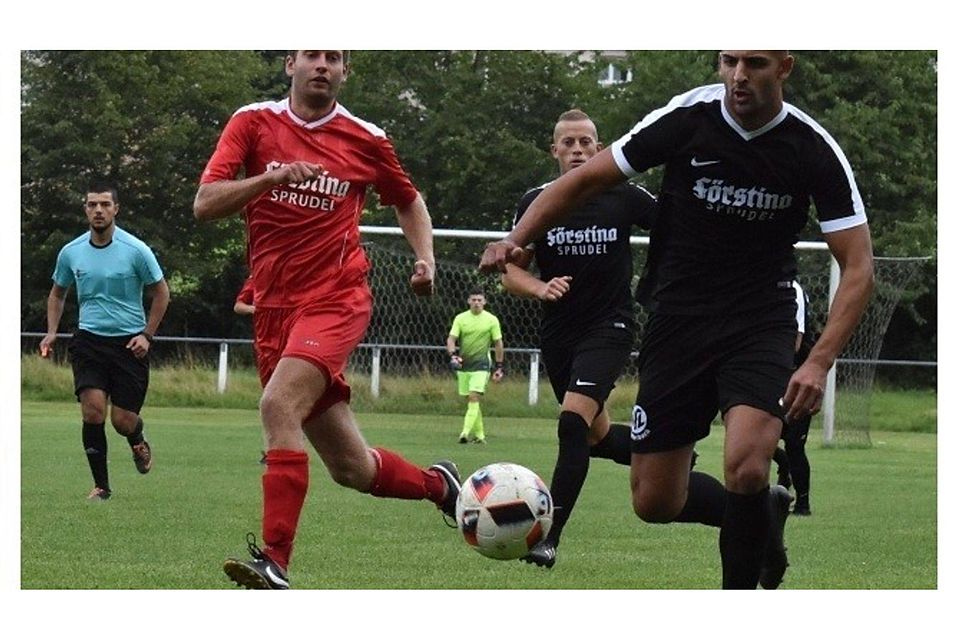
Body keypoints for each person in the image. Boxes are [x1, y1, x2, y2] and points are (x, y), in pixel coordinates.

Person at [480, 50, 875, 589]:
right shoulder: (687, 118)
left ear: (784, 67)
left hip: (760, 319)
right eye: (729, 60)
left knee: (747, 464)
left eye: (755, 63)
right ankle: (766, 513)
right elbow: (581, 183)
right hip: (678, 321)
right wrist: (516, 238)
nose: (739, 75)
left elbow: (858, 265)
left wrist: (820, 360)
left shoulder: (812, 148)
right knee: (655, 501)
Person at [194, 50, 460, 590]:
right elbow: (205, 202)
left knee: (277, 404)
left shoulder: (365, 136)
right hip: (273, 311)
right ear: (290, 64)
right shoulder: (253, 122)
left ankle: (275, 560)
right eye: (312, 54)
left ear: (345, 72)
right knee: (352, 468)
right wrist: (272, 179)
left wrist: (425, 257)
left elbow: (408, 201)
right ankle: (442, 488)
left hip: (336, 299)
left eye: (334, 57)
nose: (323, 64)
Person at [502, 109, 724, 569]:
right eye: (569, 143)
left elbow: (680, 229)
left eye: (587, 142)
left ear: (600, 149)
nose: (579, 150)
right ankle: (688, 466)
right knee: (596, 438)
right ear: (554, 151)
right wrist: (540, 288)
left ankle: (548, 538)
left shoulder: (623, 197)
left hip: (611, 328)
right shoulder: (536, 202)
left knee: (571, 424)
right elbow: (511, 270)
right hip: (559, 334)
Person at [40, 181, 170, 501]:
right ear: (85, 209)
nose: (98, 210)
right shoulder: (71, 252)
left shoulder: (136, 250)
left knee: (122, 421)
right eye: (92, 205)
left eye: (105, 205)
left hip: (130, 343)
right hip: (88, 341)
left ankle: (137, 437)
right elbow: (58, 293)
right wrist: (52, 331)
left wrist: (147, 336)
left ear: (116, 209)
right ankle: (102, 487)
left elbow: (161, 293)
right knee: (93, 412)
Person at [446, 289, 504, 444]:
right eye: (474, 300)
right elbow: (451, 339)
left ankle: (464, 433)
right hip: (464, 364)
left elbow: (498, 343)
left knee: (473, 396)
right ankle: (480, 435)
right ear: (469, 301)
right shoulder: (461, 318)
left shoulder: (491, 320)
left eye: (480, 300)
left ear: (484, 302)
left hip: (482, 364)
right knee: (470, 399)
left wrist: (499, 366)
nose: (477, 303)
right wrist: (453, 355)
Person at [778, 280, 816, 516]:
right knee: (753, 434)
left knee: (794, 443)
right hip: (771, 374)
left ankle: (803, 504)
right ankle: (783, 467)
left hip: (796, 377)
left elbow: (796, 342)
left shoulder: (793, 290)